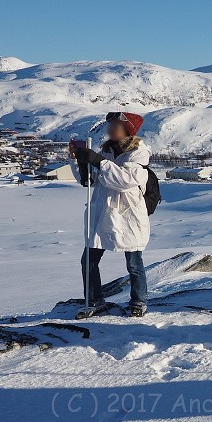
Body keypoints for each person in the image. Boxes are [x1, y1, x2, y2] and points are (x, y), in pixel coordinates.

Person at [71, 111, 152, 318]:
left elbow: (124, 180)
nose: (109, 128)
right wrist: (79, 161)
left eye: (114, 124)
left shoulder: (139, 154)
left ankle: (138, 301)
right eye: (110, 124)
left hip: (128, 214)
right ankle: (95, 301)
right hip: (103, 213)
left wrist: (98, 161)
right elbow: (91, 180)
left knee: (133, 262)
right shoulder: (106, 151)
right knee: (88, 260)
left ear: (127, 129)